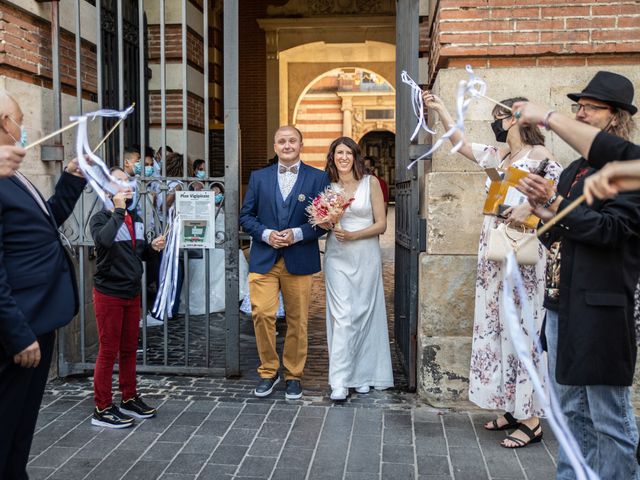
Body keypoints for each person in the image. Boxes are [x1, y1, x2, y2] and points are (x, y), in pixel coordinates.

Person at [512, 72, 640, 479]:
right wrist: (543, 209)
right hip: (560, 301)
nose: (580, 113)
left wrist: (557, 203)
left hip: (603, 307)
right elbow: (555, 234)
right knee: (567, 410)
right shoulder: (572, 170)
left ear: (615, 118)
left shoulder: (630, 168)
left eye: (590, 107)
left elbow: (611, 232)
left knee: (608, 415)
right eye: (578, 106)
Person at [424, 92, 562, 448]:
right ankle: (512, 407)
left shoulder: (542, 158)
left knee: (523, 333)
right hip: (493, 251)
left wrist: (528, 209)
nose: (496, 123)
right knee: (499, 329)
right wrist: (439, 109)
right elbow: (461, 145)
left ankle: (532, 418)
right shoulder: (502, 155)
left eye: (498, 117)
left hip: (522, 254)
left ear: (515, 118)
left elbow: (555, 203)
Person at [0, 91, 86, 478]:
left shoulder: (14, 176)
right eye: (19, 119)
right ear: (4, 122)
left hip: (40, 317)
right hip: (19, 325)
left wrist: (70, 180)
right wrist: (17, 334)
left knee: (21, 426)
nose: (25, 129)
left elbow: (44, 225)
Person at [239, 125, 329, 400]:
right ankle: (268, 370)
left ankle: (293, 374)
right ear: (275, 146)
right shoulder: (259, 177)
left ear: (301, 144)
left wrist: (297, 234)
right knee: (262, 314)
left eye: (292, 141)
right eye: (282, 141)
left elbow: (324, 222)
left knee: (297, 320)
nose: (287, 145)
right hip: (264, 258)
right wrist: (265, 234)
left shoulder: (318, 178)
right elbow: (246, 216)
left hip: (299, 258)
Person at [90, 167, 166, 428]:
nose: (126, 185)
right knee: (108, 350)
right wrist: (119, 211)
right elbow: (105, 241)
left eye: (128, 181)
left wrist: (153, 247)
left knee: (129, 349)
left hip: (132, 292)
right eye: (118, 181)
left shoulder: (137, 219)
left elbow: (138, 252)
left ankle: (129, 397)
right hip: (109, 293)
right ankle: (101, 407)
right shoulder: (101, 219)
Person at [323, 137, 393, 401]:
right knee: (343, 316)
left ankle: (362, 374)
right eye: (338, 153)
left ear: (356, 156)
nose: (343, 157)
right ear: (332, 157)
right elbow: (321, 223)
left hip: (365, 253)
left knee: (364, 313)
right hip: (337, 257)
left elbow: (381, 224)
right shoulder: (328, 186)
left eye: (348, 153)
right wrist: (328, 221)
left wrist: (355, 235)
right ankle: (339, 381)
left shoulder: (370, 183)